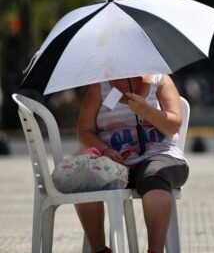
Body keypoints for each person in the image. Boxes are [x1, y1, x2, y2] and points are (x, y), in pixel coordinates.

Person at [76, 74, 189, 253]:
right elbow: (84, 131)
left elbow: (173, 125)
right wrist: (105, 150)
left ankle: (155, 250)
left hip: (159, 155)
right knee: (85, 182)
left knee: (154, 179)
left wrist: (147, 111)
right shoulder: (99, 87)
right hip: (114, 161)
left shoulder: (160, 80)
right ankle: (99, 249)